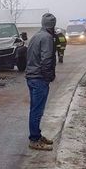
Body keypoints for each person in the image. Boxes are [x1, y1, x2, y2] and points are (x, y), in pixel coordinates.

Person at [25, 13, 57, 151]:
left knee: (34, 109)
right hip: (39, 78)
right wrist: (48, 76)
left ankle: (36, 134)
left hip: (31, 77)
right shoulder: (47, 38)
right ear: (52, 25)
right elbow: (46, 59)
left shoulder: (36, 36)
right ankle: (34, 139)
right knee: (37, 110)